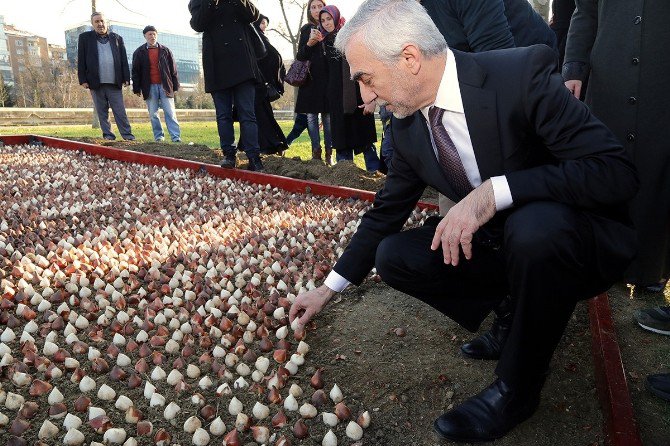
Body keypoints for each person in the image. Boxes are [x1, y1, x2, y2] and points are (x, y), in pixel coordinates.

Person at [289, 0, 638, 442]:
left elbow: (615, 172)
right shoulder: (408, 127)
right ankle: (513, 312)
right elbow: (387, 211)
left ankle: (518, 388)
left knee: (534, 231)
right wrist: (328, 287)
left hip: (569, 237)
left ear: (410, 58)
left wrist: (498, 191)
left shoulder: (519, 75)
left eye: (366, 79)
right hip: (503, 243)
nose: (365, 98)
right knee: (394, 255)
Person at [414, 0, 559, 361]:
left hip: (518, 87)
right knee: (461, 206)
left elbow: (499, 56)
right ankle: (507, 305)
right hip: (465, 93)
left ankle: (528, 315)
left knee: (516, 212)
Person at [563, 0, 670, 293]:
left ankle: (649, 268)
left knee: (656, 169)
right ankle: (600, 260)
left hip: (662, 78)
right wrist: (574, 67)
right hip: (610, 75)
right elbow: (585, 11)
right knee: (605, 165)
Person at [189, 0, 264, 172]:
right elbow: (197, 24)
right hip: (217, 64)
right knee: (223, 115)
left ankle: (254, 156)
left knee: (248, 113)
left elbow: (253, 15)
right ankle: (229, 154)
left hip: (242, 63)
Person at [318, 5, 379, 171]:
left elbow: (364, 64)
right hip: (337, 101)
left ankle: (376, 177)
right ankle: (346, 179)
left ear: (336, 17)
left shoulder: (350, 36)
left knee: (366, 142)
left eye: (329, 19)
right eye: (323, 20)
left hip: (358, 96)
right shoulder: (322, 43)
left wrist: (371, 97)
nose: (326, 23)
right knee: (342, 144)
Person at [77, 12, 135, 141]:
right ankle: (108, 136)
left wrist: (126, 77)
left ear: (106, 22)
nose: (100, 24)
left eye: (102, 21)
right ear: (92, 24)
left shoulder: (117, 38)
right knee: (102, 112)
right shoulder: (84, 38)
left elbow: (124, 59)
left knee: (120, 111)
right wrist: (82, 79)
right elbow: (81, 60)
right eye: (96, 22)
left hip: (114, 82)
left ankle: (128, 136)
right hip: (95, 82)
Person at [294, 0, 333, 164]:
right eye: (313, 7)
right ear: (310, 11)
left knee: (328, 119)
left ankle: (329, 154)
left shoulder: (331, 27)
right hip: (310, 81)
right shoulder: (306, 29)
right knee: (311, 118)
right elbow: (300, 56)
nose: (317, 10)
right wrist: (310, 43)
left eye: (319, 7)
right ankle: (316, 152)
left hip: (327, 80)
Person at [131, 26, 181, 143]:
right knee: (153, 114)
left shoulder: (166, 51)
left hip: (165, 86)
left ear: (156, 35)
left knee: (170, 113)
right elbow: (135, 72)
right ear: (145, 36)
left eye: (154, 34)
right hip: (149, 87)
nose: (152, 36)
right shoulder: (139, 52)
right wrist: (136, 88)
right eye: (149, 34)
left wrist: (175, 85)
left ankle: (176, 137)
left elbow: (173, 69)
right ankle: (159, 137)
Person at [252, 15, 288, 155]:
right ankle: (273, 145)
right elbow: (274, 57)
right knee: (260, 115)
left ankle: (274, 145)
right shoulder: (257, 38)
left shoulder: (259, 37)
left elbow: (274, 57)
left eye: (265, 25)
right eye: (262, 24)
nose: (263, 27)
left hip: (258, 86)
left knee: (261, 115)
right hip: (259, 85)